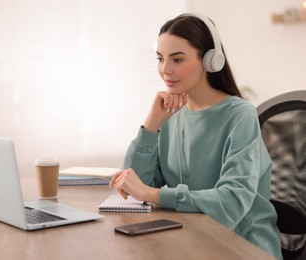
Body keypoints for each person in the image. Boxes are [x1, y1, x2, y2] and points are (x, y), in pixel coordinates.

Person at [109, 13, 283, 260]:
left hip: (244, 246)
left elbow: (231, 202)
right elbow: (133, 187)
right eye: (160, 59)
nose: (165, 70)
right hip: (192, 239)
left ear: (211, 60)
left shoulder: (240, 115)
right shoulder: (170, 115)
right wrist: (152, 123)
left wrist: (154, 195)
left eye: (177, 59)